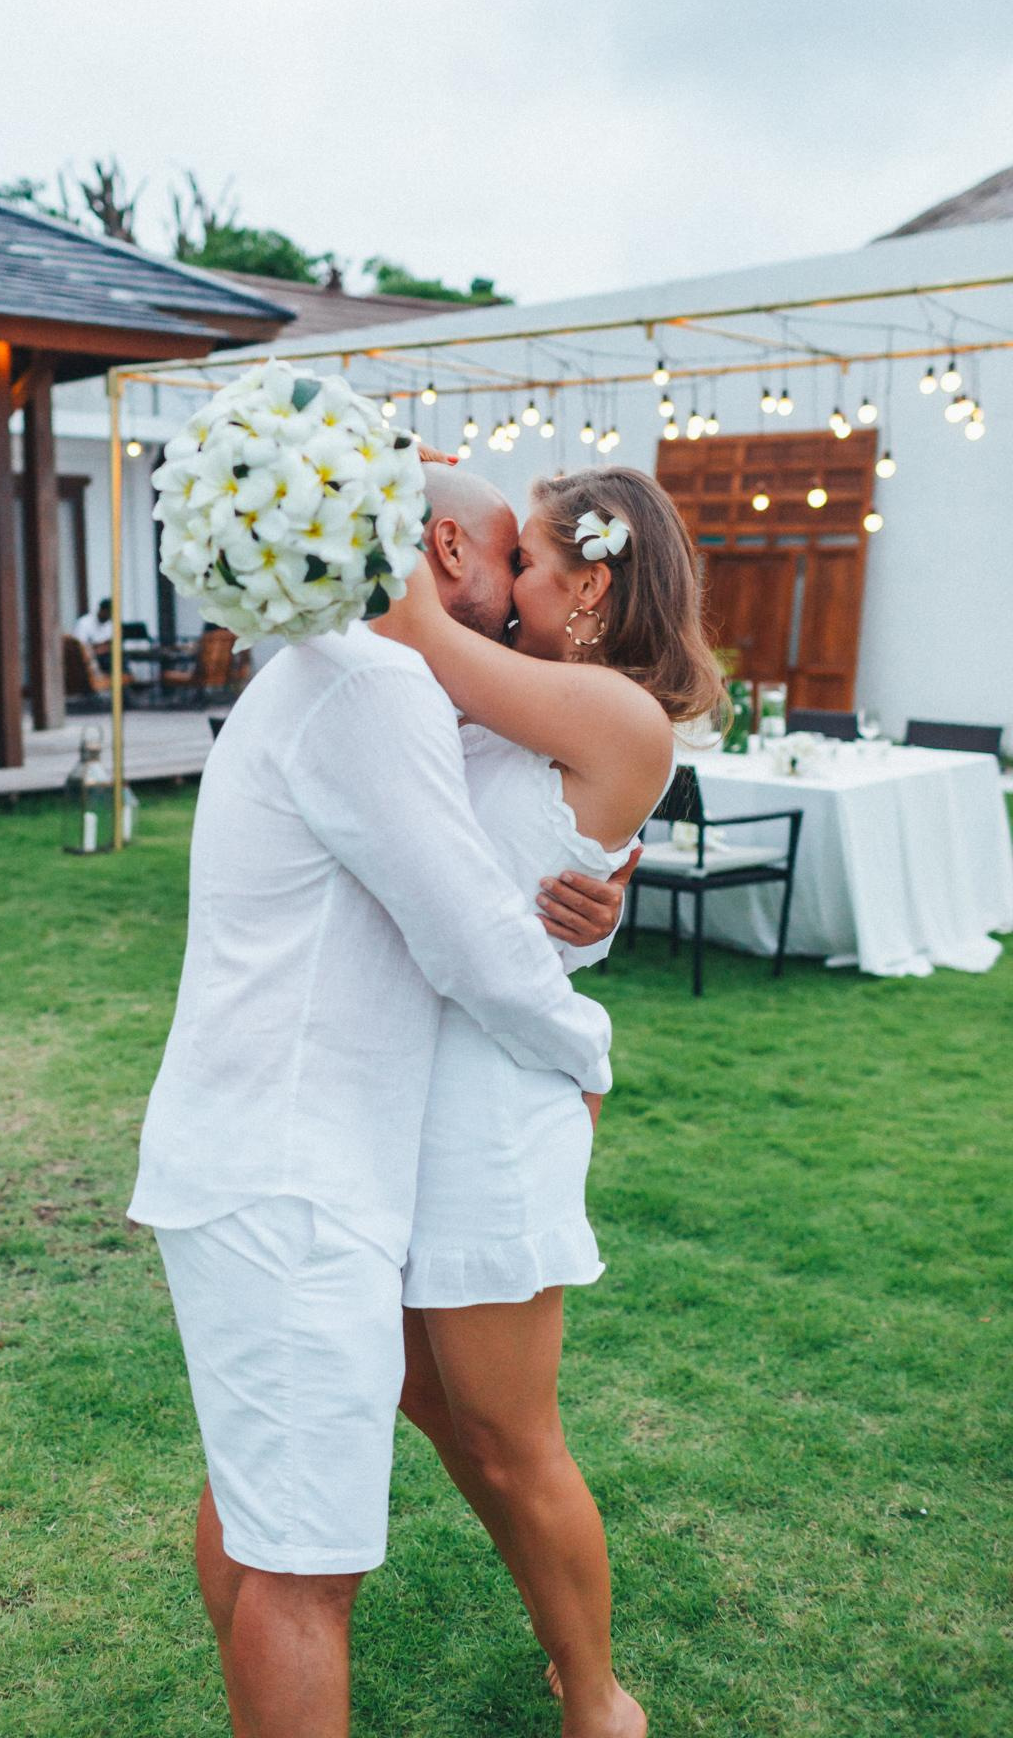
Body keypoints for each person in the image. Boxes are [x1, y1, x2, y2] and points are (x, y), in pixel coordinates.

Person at [125, 466, 632, 1738]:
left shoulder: (344, 672)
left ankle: (589, 1691)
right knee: (300, 1565)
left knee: (271, 1523)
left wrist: (586, 903)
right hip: (293, 1171)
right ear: (446, 544)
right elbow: (466, 933)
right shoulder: (373, 681)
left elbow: (490, 865)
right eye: (504, 557)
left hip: (297, 1155)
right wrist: (585, 1047)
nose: (513, 599)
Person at [376, 462, 727, 1738]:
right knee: (431, 1401)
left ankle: (596, 1697)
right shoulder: (507, 706)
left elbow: (409, 620)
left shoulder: (622, 721)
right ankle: (559, 1626)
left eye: (515, 557)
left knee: (513, 1439)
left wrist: (353, 521)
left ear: (586, 583)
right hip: (404, 1096)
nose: (492, 575)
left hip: (487, 1118)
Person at [73, 596, 113, 667]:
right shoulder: (84, 622)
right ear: (102, 610)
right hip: (87, 657)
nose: (109, 616)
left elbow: (110, 645)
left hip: (104, 657)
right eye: (108, 613)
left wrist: (99, 648)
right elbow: (81, 646)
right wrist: (99, 648)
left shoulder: (110, 624)